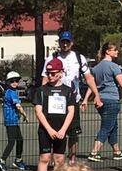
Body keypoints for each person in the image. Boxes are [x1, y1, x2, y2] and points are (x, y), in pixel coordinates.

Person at [41, 30, 98, 161]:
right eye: (63, 42)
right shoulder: (52, 57)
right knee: (55, 131)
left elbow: (89, 77)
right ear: (59, 43)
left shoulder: (78, 58)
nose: (65, 44)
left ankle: (72, 160)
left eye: (67, 42)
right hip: (54, 101)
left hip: (72, 99)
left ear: (72, 43)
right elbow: (45, 78)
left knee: (73, 133)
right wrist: (43, 97)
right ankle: (55, 160)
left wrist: (97, 95)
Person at [33, 58, 76, 171]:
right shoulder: (41, 90)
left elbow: (71, 111)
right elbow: (38, 111)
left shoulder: (68, 91)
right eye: (48, 73)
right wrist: (49, 129)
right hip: (46, 130)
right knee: (44, 157)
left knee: (59, 159)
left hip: (61, 129)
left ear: (61, 73)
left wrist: (63, 129)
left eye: (53, 73)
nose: (50, 76)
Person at [86, 43, 122, 162]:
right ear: (107, 52)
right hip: (111, 99)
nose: (117, 52)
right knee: (107, 126)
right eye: (114, 50)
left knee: (113, 125)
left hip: (100, 100)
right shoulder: (114, 66)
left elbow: (91, 84)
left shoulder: (96, 68)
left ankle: (116, 151)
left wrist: (86, 99)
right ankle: (94, 152)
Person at [0, 71, 28, 171]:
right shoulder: (12, 93)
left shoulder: (9, 92)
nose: (14, 83)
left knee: (20, 140)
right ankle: (2, 161)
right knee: (11, 142)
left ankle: (18, 160)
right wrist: (25, 115)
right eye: (12, 81)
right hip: (11, 121)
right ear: (8, 82)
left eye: (16, 81)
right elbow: (18, 106)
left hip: (13, 120)